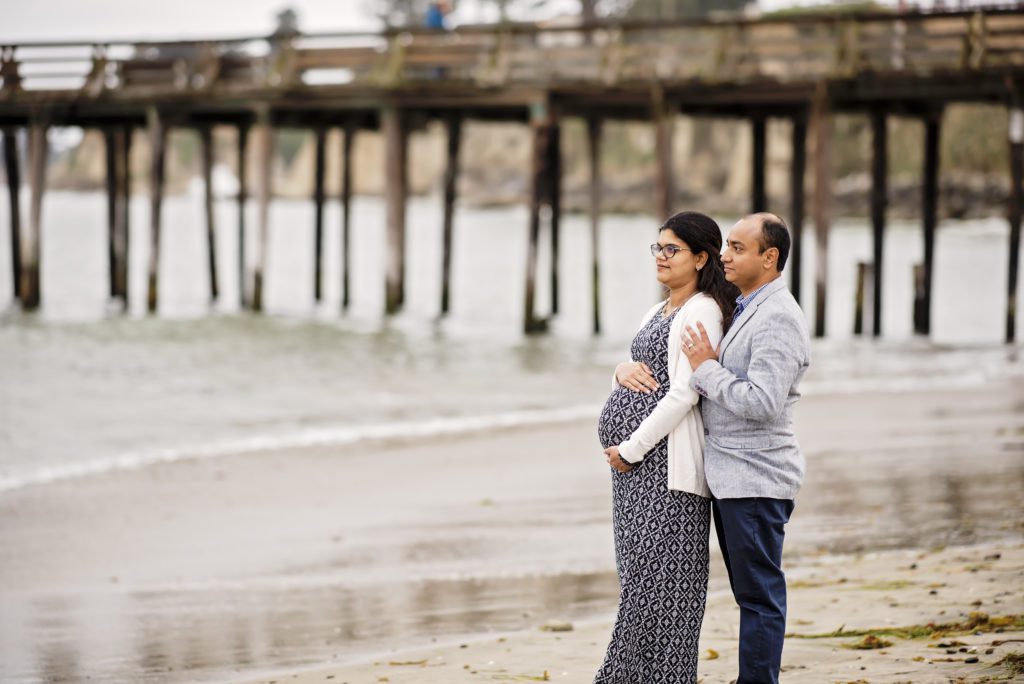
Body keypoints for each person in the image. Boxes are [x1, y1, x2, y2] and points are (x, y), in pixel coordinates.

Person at [595, 211, 739, 682]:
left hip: (665, 474)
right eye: (656, 248)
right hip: (635, 477)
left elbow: (685, 391)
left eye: (671, 249)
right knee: (637, 585)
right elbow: (636, 370)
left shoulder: (702, 311)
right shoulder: (658, 311)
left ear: (701, 258)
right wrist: (618, 369)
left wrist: (631, 448)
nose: (660, 257)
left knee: (663, 591)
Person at [681, 212, 811, 684]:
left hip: (756, 478)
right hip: (734, 476)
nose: (724, 255)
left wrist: (705, 369)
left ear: (769, 257)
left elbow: (763, 401)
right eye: (726, 246)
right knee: (750, 594)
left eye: (737, 247)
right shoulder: (750, 304)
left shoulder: (778, 317)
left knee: (758, 595)